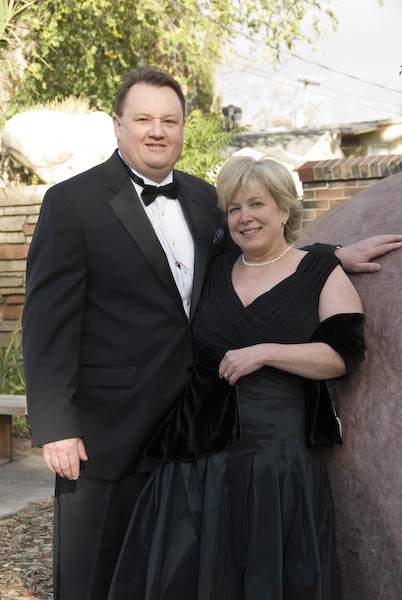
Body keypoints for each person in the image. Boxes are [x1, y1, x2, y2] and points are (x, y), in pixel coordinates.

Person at [21, 66, 402, 600]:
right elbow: (46, 322)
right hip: (105, 431)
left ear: (182, 126)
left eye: (169, 120)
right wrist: (57, 426)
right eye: (144, 119)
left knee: (164, 578)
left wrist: (332, 254)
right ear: (118, 125)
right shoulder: (72, 202)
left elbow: (259, 247)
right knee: (92, 576)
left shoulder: (204, 200)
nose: (158, 131)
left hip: (190, 430)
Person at [107, 156, 367, 599]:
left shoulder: (322, 272)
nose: (245, 217)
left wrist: (266, 353)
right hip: (199, 453)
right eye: (234, 208)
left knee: (269, 570)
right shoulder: (213, 267)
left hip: (277, 458)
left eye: (257, 204)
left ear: (284, 209)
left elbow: (343, 356)